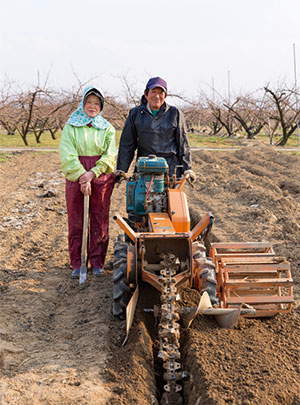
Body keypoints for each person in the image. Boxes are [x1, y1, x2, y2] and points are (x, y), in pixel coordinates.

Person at [60, 87, 117, 278]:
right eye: (89, 102)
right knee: (76, 219)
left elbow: (110, 156)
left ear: (101, 107)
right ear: (83, 104)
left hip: (100, 175)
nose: (92, 107)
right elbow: (67, 153)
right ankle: (77, 262)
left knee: (99, 219)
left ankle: (97, 261)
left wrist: (92, 173)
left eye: (96, 103)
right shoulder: (71, 126)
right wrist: (81, 176)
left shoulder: (107, 128)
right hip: (76, 174)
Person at [115, 76, 196, 181]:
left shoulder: (175, 114)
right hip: (144, 167)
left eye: (160, 93)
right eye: (153, 92)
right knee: (137, 195)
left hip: (170, 170)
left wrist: (187, 169)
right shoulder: (135, 114)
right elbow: (127, 144)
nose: (157, 96)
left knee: (174, 197)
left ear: (165, 96)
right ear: (146, 94)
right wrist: (121, 169)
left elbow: (183, 143)